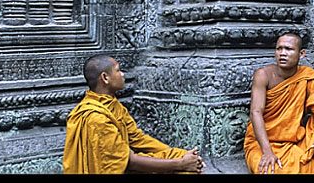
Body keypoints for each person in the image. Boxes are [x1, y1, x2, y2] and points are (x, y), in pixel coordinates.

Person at [63, 55, 206, 174]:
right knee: (182, 168)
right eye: (118, 71)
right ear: (105, 78)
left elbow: (138, 139)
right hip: (120, 167)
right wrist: (179, 164)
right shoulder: (96, 117)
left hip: (126, 163)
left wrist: (177, 154)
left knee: (184, 159)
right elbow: (128, 162)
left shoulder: (113, 105)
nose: (123, 74)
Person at [244, 33, 314, 174]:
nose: (282, 53)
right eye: (279, 49)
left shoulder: (308, 77)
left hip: (296, 139)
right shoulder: (263, 75)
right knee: (272, 170)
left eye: (289, 49)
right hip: (263, 143)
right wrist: (267, 152)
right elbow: (256, 112)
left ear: (301, 54)